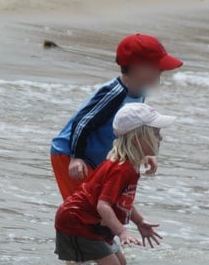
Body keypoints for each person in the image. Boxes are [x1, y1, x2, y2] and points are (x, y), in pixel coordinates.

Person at [54, 103, 175, 265]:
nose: (160, 138)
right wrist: (122, 232)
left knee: (120, 263)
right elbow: (103, 205)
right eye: (155, 133)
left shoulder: (129, 165)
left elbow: (122, 200)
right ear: (138, 137)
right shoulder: (122, 168)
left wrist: (139, 222)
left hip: (85, 219)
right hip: (76, 220)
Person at [50, 33, 182, 200]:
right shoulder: (114, 93)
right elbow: (83, 122)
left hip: (93, 159)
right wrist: (77, 158)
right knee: (83, 212)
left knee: (100, 210)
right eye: (158, 67)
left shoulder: (139, 92)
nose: (162, 71)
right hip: (70, 154)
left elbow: (137, 127)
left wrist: (147, 153)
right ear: (137, 67)